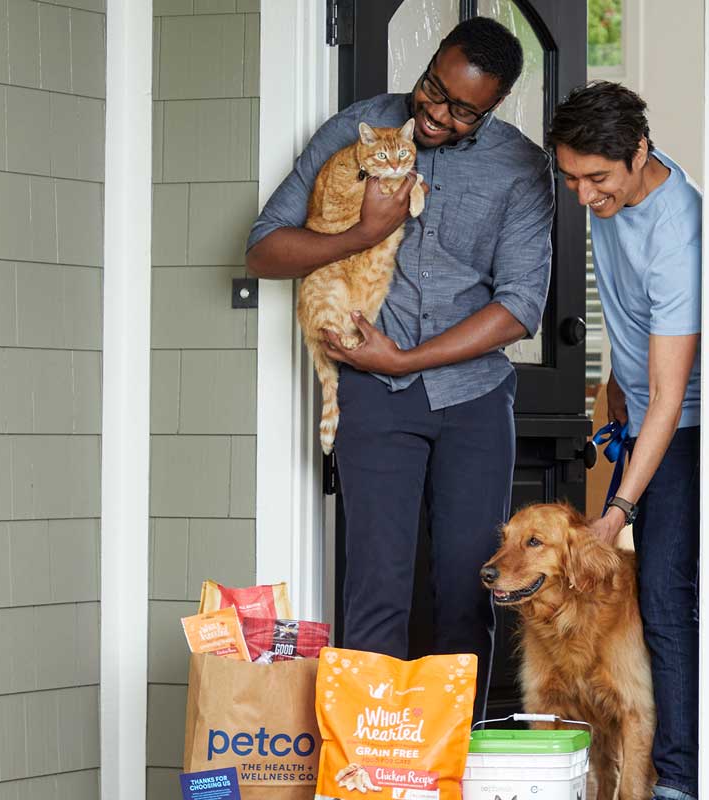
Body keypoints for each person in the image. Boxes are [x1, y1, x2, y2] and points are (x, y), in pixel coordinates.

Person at [245, 17, 554, 720]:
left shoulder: (519, 167)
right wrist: (364, 232)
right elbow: (263, 252)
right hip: (373, 398)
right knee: (375, 592)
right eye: (431, 91)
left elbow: (519, 307)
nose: (436, 114)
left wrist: (406, 357)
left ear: (495, 105)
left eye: (460, 109)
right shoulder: (357, 128)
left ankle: (453, 767)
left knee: (465, 595)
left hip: (473, 401)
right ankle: (369, 775)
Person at [547, 82, 701, 800]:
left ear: (639, 154)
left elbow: (672, 393)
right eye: (571, 178)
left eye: (596, 179)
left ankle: (678, 779)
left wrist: (619, 509)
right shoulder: (612, 192)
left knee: (663, 595)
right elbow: (630, 323)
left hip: (684, 428)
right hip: (637, 416)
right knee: (635, 594)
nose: (583, 196)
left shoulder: (679, 231)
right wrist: (609, 391)